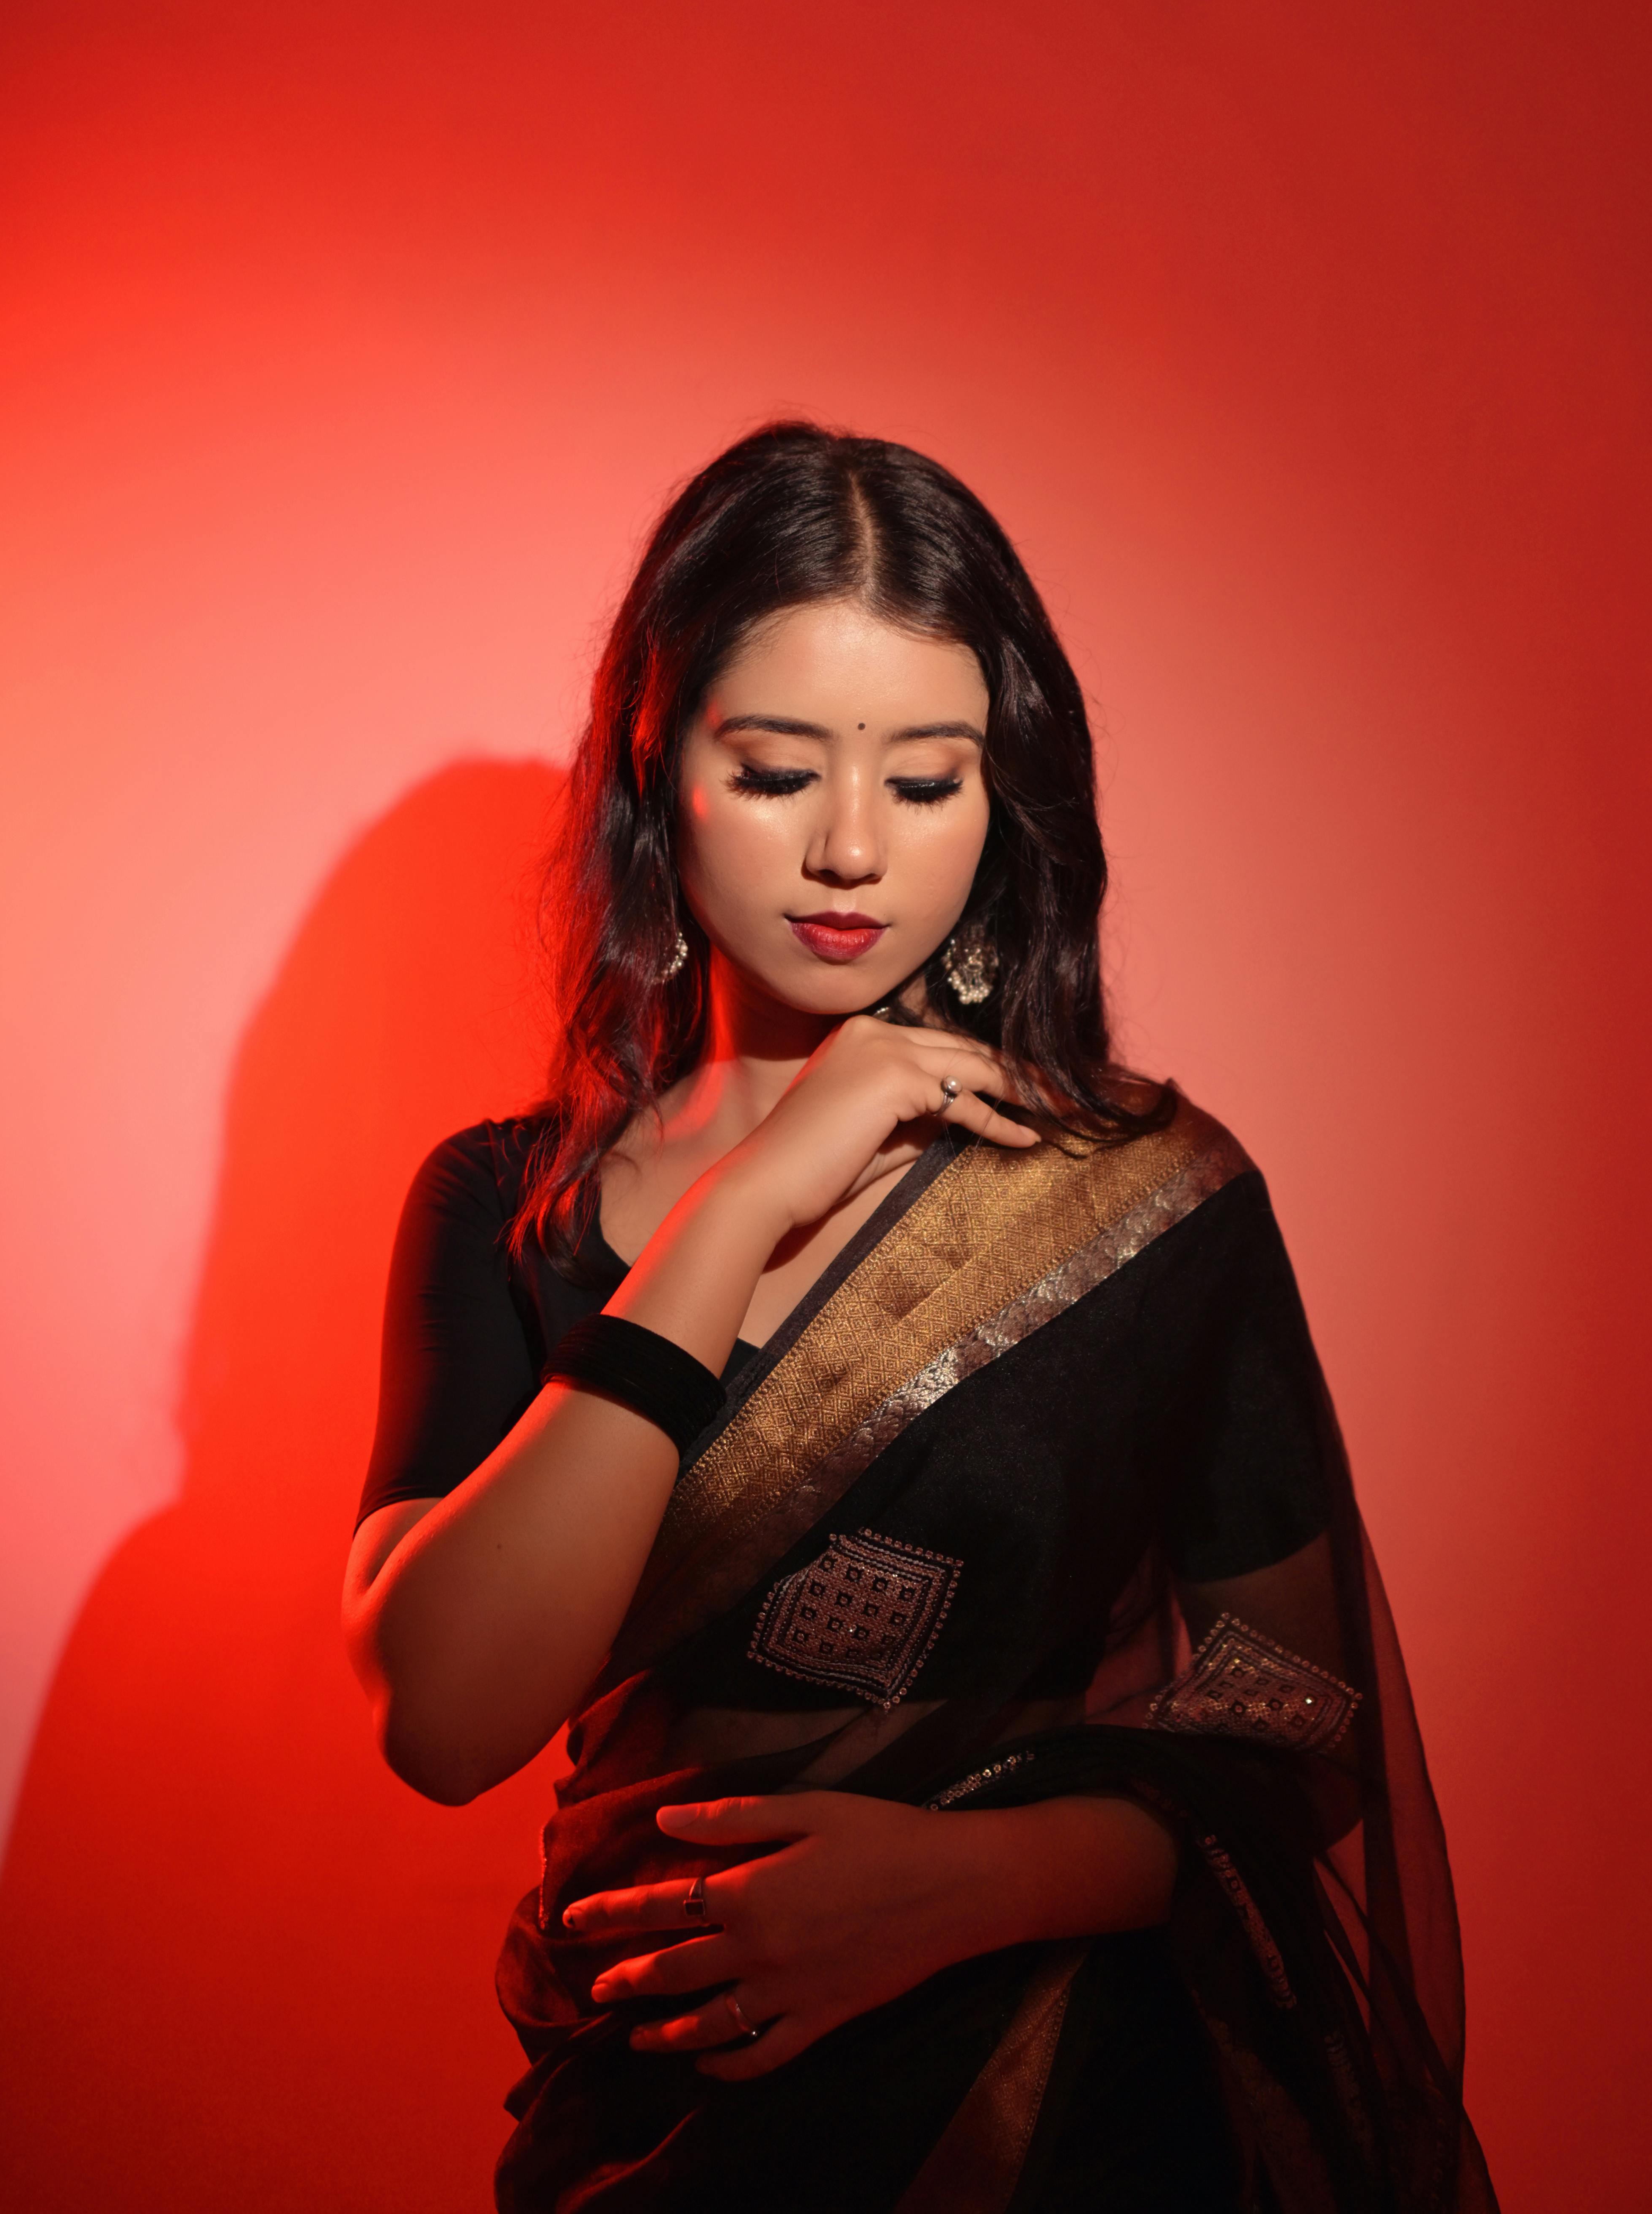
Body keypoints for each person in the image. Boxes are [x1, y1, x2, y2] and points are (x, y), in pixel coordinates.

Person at [344, 423, 1497, 2212]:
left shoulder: (1142, 1203)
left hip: (1062, 2100)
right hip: (652, 2107)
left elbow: (1301, 1723)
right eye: (781, 768)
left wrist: (964, 1889)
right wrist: (735, 1215)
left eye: (930, 778)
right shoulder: (512, 1204)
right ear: (663, 772)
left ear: (1004, 798)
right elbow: (446, 1712)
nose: (855, 848)